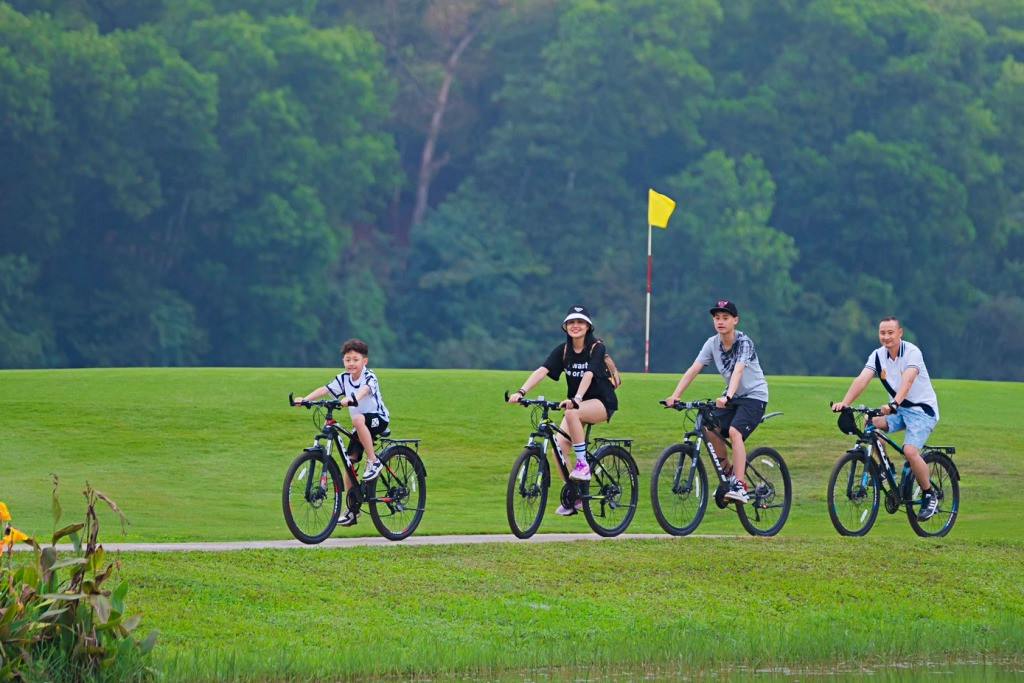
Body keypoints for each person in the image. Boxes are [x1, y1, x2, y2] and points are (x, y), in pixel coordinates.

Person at [508, 305, 618, 515]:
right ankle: (575, 495)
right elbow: (542, 370)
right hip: (575, 405)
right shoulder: (564, 350)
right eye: (571, 322)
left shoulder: (596, 347)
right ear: (565, 326)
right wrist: (521, 391)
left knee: (571, 412)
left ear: (588, 326)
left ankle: (583, 465)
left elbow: (589, 374)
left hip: (601, 402)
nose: (575, 326)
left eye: (580, 322)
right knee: (557, 449)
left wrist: (576, 398)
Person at [831, 317, 940, 521]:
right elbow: (862, 379)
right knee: (870, 423)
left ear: (900, 333)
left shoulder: (912, 352)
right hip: (898, 410)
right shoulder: (878, 356)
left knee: (909, 450)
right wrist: (844, 403)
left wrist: (894, 405)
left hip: (921, 411)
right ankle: (884, 468)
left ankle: (928, 494)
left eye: (890, 332)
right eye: (882, 333)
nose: (886, 337)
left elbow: (907, 381)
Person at [663, 300, 769, 504]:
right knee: (710, 428)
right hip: (733, 397)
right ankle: (729, 477)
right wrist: (675, 395)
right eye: (717, 318)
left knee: (734, 432)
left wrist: (727, 396)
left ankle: (739, 485)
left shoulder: (743, 342)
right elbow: (694, 368)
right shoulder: (712, 343)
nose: (720, 322)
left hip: (754, 397)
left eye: (725, 318)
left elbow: (738, 370)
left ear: (735, 320)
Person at [293, 338, 390, 526]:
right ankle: (352, 509)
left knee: (356, 418)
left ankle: (374, 461)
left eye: (355, 359)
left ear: (364, 361)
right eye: (347, 360)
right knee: (349, 463)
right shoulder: (343, 378)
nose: (351, 363)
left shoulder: (370, 377)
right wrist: (305, 399)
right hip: (361, 425)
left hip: (378, 419)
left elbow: (363, 391)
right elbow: (325, 389)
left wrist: (351, 398)